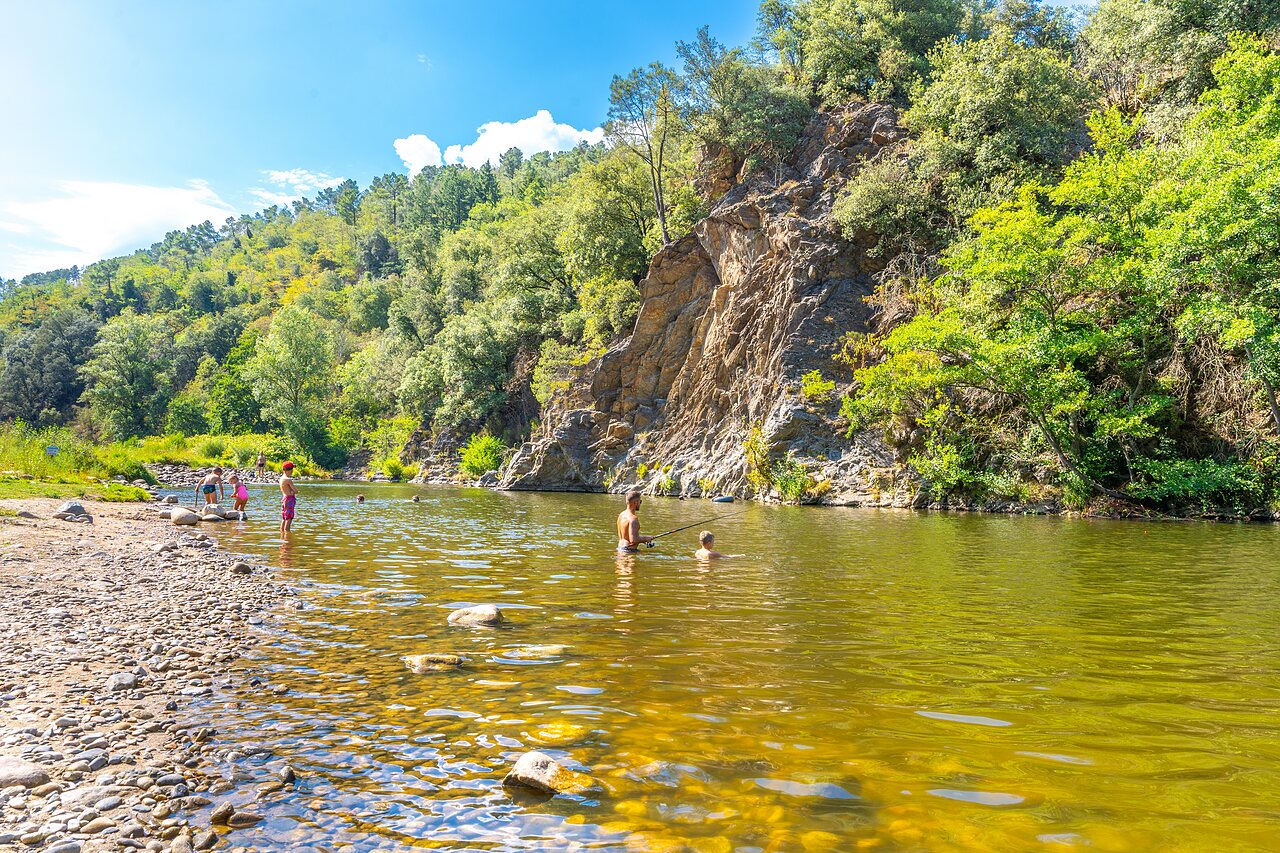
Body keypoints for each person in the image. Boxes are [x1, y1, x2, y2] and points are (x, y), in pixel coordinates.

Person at [279, 461, 298, 535]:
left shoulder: (281, 478)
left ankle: (282, 534)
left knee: (284, 518)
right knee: (289, 518)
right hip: (289, 499)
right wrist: (294, 492)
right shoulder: (288, 480)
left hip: (284, 498)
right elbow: (295, 490)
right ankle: (287, 535)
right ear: (291, 470)